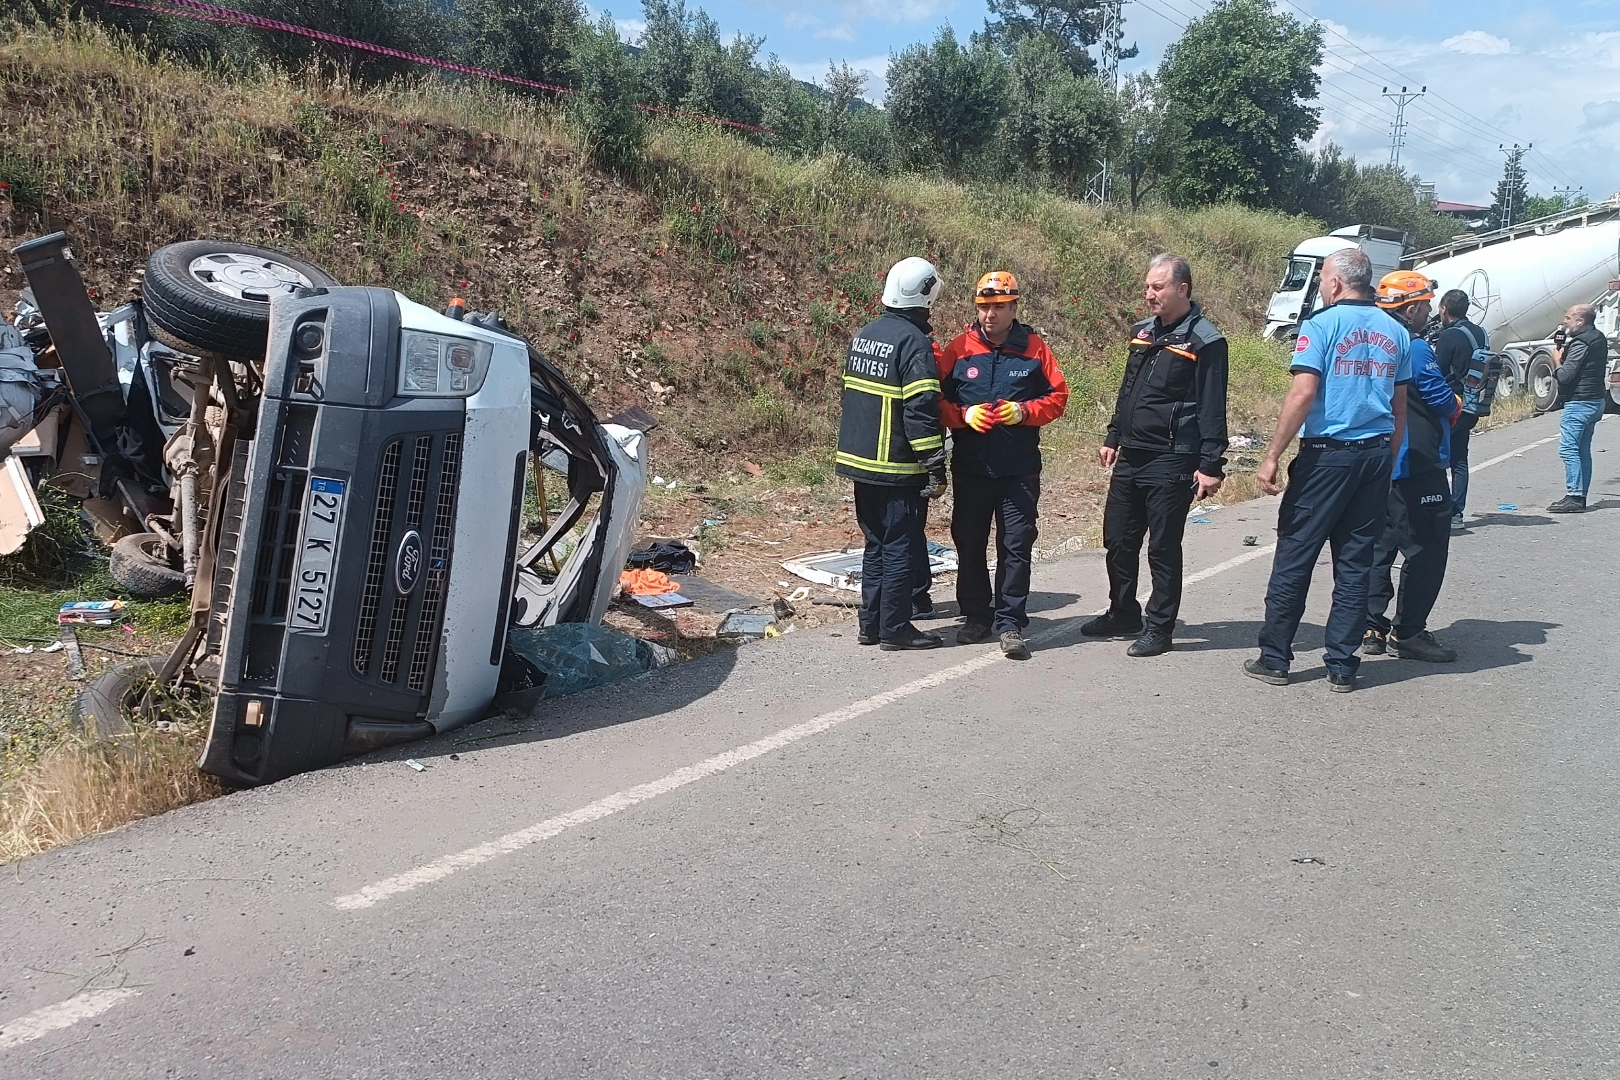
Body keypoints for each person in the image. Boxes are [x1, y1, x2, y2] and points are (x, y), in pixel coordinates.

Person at [1244, 248, 1410, 694]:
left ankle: (1275, 657)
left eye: (1321, 279)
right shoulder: (1397, 332)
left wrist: (1273, 454)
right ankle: (1342, 663)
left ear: (1335, 283)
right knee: (1356, 563)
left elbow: (1302, 393)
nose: (1320, 286)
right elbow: (1399, 408)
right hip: (1374, 455)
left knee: (1296, 555)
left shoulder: (1321, 326)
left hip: (1327, 456)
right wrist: (1389, 464)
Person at [1083, 253, 1229, 657]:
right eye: (1147, 286)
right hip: (1132, 454)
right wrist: (1113, 434)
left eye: (1157, 287)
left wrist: (1211, 464)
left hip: (1174, 457)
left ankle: (1160, 626)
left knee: (1162, 547)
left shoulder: (1206, 340)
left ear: (1182, 289)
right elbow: (1128, 388)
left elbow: (1213, 405)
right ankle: (1122, 612)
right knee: (1118, 539)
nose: (1149, 294)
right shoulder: (1142, 332)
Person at [937, 271, 1069, 660]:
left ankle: (1011, 621)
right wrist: (963, 416)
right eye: (983, 307)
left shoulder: (1034, 348)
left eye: (998, 307)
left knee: (1016, 544)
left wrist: (1024, 411)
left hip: (1018, 469)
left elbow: (1058, 398)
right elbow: (933, 402)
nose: (989, 315)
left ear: (1014, 307)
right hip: (971, 468)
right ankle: (976, 616)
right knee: (969, 542)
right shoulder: (958, 349)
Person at [835, 256, 949, 650]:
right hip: (897, 466)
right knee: (901, 546)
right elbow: (920, 408)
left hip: (860, 464)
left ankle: (871, 625)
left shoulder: (866, 334)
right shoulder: (913, 343)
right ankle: (896, 628)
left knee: (876, 545)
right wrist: (934, 464)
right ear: (926, 295)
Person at [1365, 272, 1463, 663]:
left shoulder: (1368, 339)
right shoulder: (1414, 345)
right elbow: (1439, 396)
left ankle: (1370, 626)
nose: (1428, 313)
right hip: (1415, 461)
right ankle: (1408, 632)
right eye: (1425, 306)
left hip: (1375, 460)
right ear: (1413, 307)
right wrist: (1457, 405)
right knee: (1427, 547)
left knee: (1380, 545)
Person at [1434, 289, 1489, 531]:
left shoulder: (1448, 337)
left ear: (1444, 309)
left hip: (1452, 402)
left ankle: (1439, 509)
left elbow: (1437, 370)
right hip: (1474, 402)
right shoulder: (1480, 332)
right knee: (1460, 460)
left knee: (1438, 457)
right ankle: (1457, 512)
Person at [1548, 303, 1609, 513]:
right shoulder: (1598, 338)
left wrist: (1557, 361)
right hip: (1595, 400)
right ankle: (1579, 496)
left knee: (1569, 449)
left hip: (1580, 402)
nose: (1564, 322)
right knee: (1583, 449)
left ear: (1580, 321)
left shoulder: (1581, 343)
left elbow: (1565, 376)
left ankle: (1574, 496)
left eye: (1568, 318)